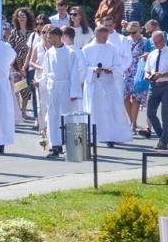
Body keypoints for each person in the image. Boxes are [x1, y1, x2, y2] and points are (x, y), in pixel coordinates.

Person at [82, 26, 133, 145]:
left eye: (107, 36)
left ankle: (110, 136)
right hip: (94, 85)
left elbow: (119, 65)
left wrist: (112, 70)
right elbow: (82, 67)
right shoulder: (87, 49)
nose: (106, 39)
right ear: (96, 35)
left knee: (108, 111)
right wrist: (93, 70)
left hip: (108, 84)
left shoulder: (112, 48)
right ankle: (92, 136)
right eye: (103, 36)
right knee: (93, 110)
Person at [40, 27, 84, 158]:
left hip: (65, 85)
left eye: (51, 37)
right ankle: (55, 145)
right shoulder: (49, 53)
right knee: (53, 116)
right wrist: (41, 83)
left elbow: (74, 74)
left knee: (68, 116)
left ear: (58, 37)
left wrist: (74, 92)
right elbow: (46, 72)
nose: (48, 39)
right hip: (52, 87)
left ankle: (71, 145)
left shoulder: (70, 53)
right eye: (48, 37)